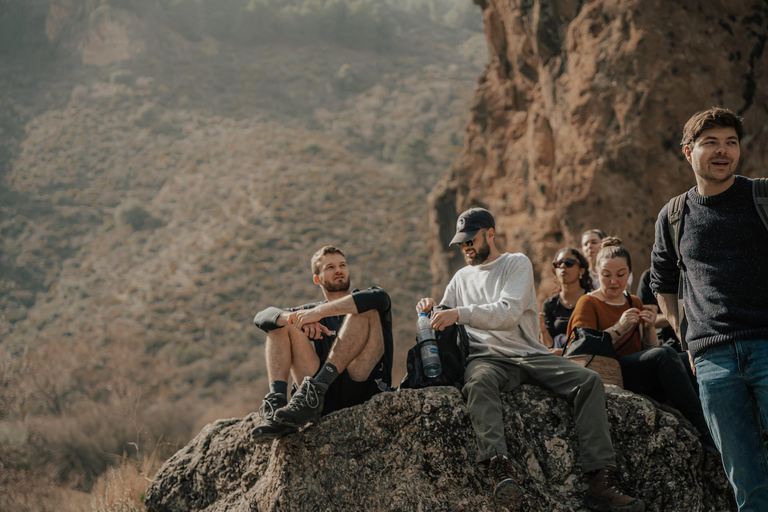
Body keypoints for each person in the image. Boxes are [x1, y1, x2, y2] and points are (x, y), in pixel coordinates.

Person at [417, 208, 644, 512]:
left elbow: (508, 313)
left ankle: (601, 480)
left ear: (490, 234)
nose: (466, 248)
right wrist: (433, 307)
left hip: (529, 354)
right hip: (488, 359)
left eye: (471, 240)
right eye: (461, 243)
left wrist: (459, 313)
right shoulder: (460, 278)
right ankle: (501, 469)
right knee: (478, 382)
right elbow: (444, 311)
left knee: (589, 381)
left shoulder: (516, 263)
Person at [650, 107, 768, 511]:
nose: (723, 151)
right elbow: (661, 282)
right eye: (711, 142)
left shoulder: (762, 196)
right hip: (713, 361)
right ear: (688, 151)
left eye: (731, 142)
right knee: (744, 479)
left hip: (767, 345)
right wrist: (686, 335)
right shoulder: (674, 215)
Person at [567, 238, 713, 450]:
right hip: (608, 372)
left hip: (636, 370)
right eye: (606, 276)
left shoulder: (633, 301)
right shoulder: (588, 302)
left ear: (629, 273)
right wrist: (619, 327)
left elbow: (649, 350)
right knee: (665, 354)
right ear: (597, 274)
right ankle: (703, 427)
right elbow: (582, 348)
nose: (614, 282)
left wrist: (649, 327)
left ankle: (711, 414)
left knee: (685, 358)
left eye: (621, 275)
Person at [251, 246, 393, 439]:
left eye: (342, 265)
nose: (338, 270)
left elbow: (379, 297)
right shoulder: (309, 312)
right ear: (317, 279)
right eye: (330, 267)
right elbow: (262, 317)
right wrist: (295, 318)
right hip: (317, 401)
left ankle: (319, 384)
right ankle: (276, 407)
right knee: (282, 323)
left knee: (364, 310)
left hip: (363, 386)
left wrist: (318, 313)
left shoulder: (368, 298)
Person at [540, 247, 593, 355]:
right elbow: (549, 346)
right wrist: (543, 330)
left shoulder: (592, 299)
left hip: (587, 356)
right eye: (558, 264)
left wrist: (567, 351)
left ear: (581, 270)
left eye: (569, 262)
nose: (563, 266)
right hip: (559, 360)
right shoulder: (550, 305)